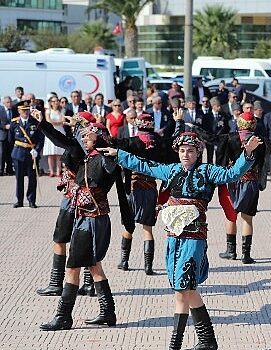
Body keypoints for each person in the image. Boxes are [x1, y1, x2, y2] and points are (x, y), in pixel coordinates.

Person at [100, 131, 260, 349]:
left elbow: (232, 174)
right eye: (182, 151)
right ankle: (208, 341)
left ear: (197, 153)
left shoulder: (207, 171)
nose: (186, 154)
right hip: (173, 237)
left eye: (191, 151)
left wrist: (247, 153)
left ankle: (174, 345)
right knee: (188, 288)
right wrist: (118, 154)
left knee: (181, 289)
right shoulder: (172, 170)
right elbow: (144, 165)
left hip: (195, 237)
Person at [40, 122, 121, 331]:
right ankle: (108, 312)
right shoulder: (88, 157)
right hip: (86, 217)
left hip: (92, 220)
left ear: (98, 138)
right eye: (82, 136)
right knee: (94, 265)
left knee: (73, 267)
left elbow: (113, 171)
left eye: (87, 136)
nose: (83, 139)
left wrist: (113, 153)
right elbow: (67, 144)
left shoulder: (105, 159)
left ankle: (63, 316)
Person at [216, 112, 271, 263]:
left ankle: (231, 251)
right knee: (247, 219)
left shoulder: (229, 138)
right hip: (251, 182)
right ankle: (246, 256)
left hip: (233, 182)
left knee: (230, 216)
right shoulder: (261, 140)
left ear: (239, 124)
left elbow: (211, 138)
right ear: (254, 124)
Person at [35, 111, 101, 298]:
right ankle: (88, 285)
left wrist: (43, 123)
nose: (72, 123)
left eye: (76, 122)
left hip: (73, 198)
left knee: (60, 238)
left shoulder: (79, 145)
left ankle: (56, 283)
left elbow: (58, 140)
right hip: (84, 198)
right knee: (84, 239)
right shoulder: (91, 146)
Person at [112, 114, 174, 275]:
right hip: (150, 187)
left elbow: (111, 144)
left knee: (128, 226)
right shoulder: (160, 143)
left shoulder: (130, 142)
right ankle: (148, 266)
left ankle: (124, 262)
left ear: (138, 126)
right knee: (148, 229)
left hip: (132, 187)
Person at [9, 100, 44, 208]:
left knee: (32, 178)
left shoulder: (34, 122)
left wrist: (37, 150)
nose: (26, 112)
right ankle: (19, 201)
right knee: (19, 178)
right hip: (18, 153)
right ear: (19, 111)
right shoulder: (14, 123)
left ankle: (31, 200)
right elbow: (10, 140)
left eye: (27, 110)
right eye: (23, 110)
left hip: (31, 154)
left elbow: (41, 139)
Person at [42, 96, 66, 177]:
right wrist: (57, 122)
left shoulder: (61, 110)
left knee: (59, 153)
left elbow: (63, 121)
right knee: (51, 153)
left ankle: (58, 171)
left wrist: (55, 122)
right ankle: (51, 171)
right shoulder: (48, 111)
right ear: (51, 102)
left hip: (60, 132)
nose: (56, 103)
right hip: (51, 133)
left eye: (57, 101)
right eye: (54, 101)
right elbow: (48, 121)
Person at [1, 96, 15, 176]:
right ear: (4, 103)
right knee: (2, 154)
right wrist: (4, 126)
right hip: (3, 135)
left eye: (10, 102)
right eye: (7, 102)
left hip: (11, 136)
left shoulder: (14, 110)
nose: (9, 104)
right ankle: (1, 170)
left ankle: (10, 170)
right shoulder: (1, 110)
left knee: (10, 153)